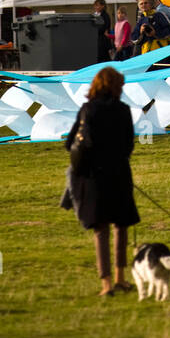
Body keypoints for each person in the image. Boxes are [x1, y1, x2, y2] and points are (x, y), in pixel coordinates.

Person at [62, 66, 140, 297]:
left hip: (93, 176)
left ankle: (105, 283)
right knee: (121, 226)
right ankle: (120, 278)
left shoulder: (88, 109)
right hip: (119, 173)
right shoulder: (124, 110)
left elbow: (70, 143)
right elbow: (129, 145)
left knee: (101, 229)